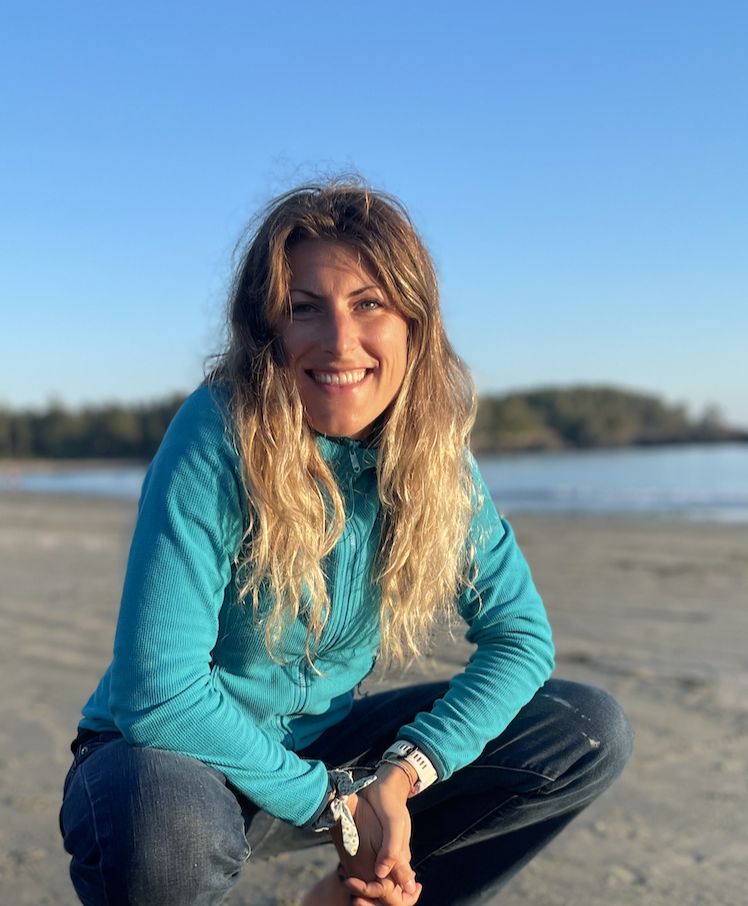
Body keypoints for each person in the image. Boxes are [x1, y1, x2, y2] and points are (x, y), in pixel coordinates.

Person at [59, 181, 633, 906]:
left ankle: (367, 898)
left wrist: (400, 775)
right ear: (267, 330)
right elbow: (159, 694)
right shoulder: (215, 435)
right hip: (171, 761)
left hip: (334, 753)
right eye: (305, 309)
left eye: (369, 304)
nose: (339, 341)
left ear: (413, 325)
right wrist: (331, 802)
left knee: (584, 730)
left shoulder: (435, 457)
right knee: (163, 828)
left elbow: (520, 639)